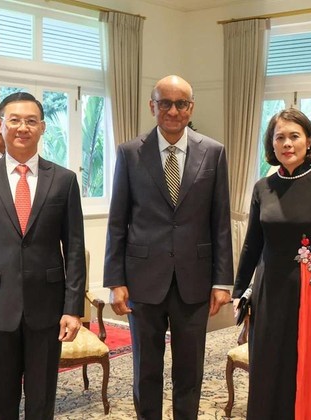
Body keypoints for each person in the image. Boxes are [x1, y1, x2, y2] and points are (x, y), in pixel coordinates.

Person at [104, 75, 233, 420]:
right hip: (142, 281)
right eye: (165, 103)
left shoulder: (214, 152)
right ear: (153, 106)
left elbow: (220, 222)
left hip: (194, 280)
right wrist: (115, 281)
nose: (173, 111)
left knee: (189, 370)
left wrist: (222, 281)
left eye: (181, 104)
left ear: (191, 108)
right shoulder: (131, 153)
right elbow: (118, 221)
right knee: (146, 370)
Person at [0, 92, 86, 419]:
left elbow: (73, 249)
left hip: (47, 310)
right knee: (0, 402)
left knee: (42, 400)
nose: (23, 127)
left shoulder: (64, 180)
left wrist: (73, 309)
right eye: (14, 120)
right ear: (0, 125)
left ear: (42, 128)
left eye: (31, 121)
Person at [233, 108, 311, 419]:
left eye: (294, 136)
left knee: (301, 369)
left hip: (308, 294)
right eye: (279, 137)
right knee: (266, 366)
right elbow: (253, 243)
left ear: (309, 142)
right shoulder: (262, 187)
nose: (287, 143)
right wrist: (240, 291)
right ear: (271, 144)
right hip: (268, 290)